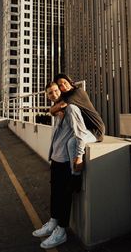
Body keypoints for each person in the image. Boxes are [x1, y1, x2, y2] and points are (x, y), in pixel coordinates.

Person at [32, 81, 98, 249]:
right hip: (56, 158)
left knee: (64, 196)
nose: (53, 94)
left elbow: (81, 134)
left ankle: (61, 231)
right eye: (49, 93)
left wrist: (78, 157)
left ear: (60, 92)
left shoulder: (71, 109)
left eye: (55, 91)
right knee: (55, 192)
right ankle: (53, 223)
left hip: (66, 160)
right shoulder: (58, 111)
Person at [52, 73, 105, 143]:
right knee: (61, 139)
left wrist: (54, 110)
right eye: (60, 86)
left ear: (69, 82)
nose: (64, 87)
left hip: (95, 130)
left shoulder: (78, 92)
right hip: (83, 130)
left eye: (65, 83)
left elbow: (56, 108)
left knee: (72, 143)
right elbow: (54, 110)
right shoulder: (65, 96)